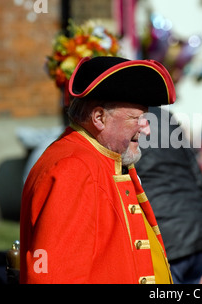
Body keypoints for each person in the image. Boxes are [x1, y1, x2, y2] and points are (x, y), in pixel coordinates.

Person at [19, 56, 176, 284]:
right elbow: (54, 276)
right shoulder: (73, 168)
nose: (146, 129)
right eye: (137, 118)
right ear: (99, 117)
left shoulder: (100, 158)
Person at [135, 106, 202, 284]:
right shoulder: (164, 117)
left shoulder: (123, 123)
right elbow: (198, 178)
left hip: (167, 241)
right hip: (198, 233)